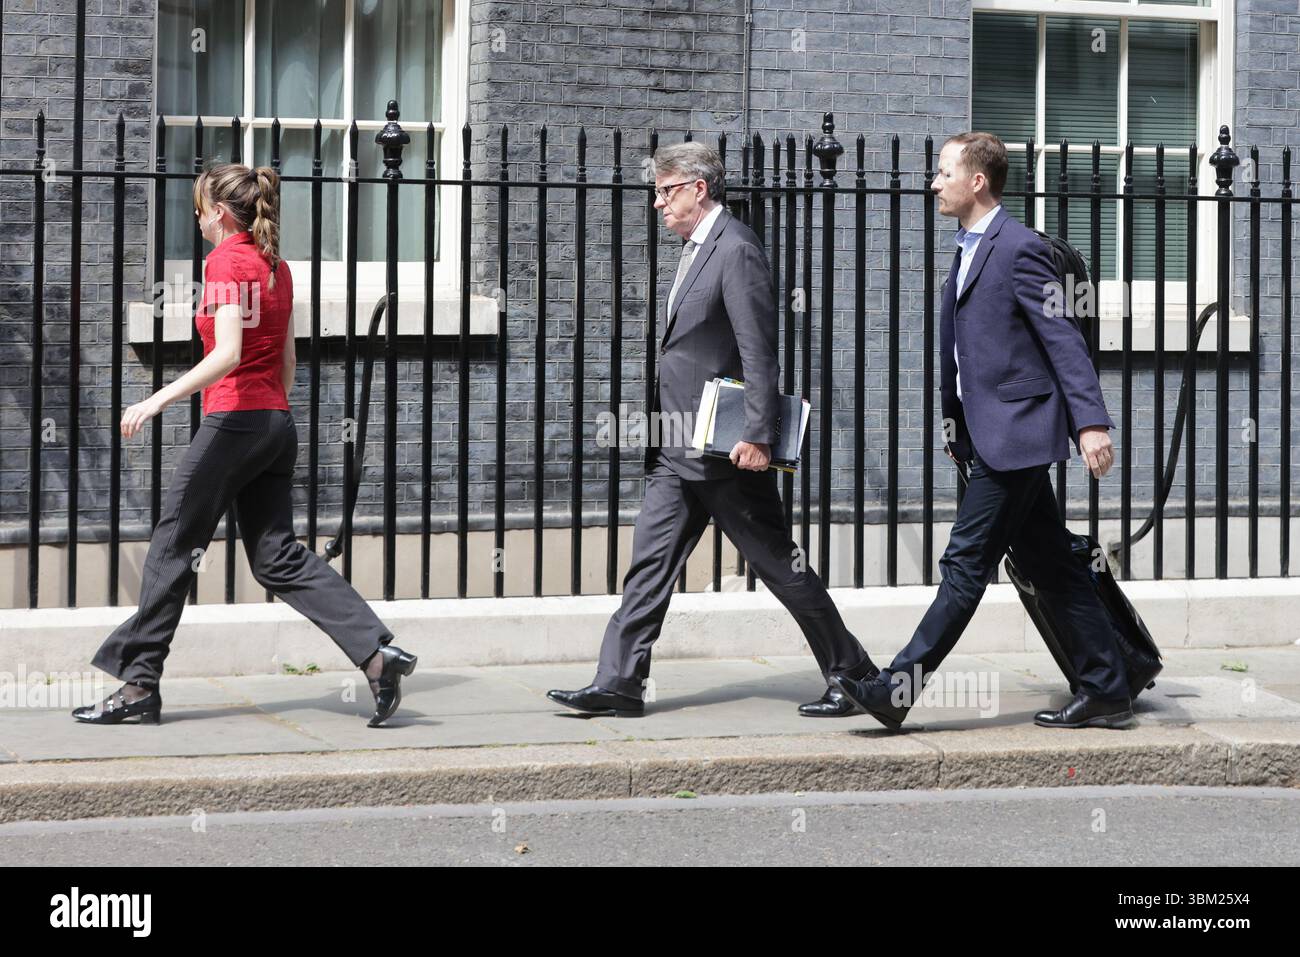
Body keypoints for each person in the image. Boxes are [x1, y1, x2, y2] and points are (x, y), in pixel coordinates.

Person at [73, 163, 416, 728]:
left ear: (220, 213)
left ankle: (138, 686)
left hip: (237, 421)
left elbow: (228, 352)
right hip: (275, 422)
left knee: (172, 544)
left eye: (200, 209)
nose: (197, 220)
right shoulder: (276, 266)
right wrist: (268, 414)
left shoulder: (226, 261)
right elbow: (287, 361)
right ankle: (378, 656)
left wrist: (156, 400)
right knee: (275, 557)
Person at [547, 142, 878, 719]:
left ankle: (855, 673)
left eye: (665, 191)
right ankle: (619, 681)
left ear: (698, 189)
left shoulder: (736, 249)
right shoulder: (696, 249)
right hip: (676, 445)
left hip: (726, 452)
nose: (658, 203)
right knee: (649, 565)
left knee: (779, 564)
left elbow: (757, 349)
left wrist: (758, 434)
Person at [832, 132, 1133, 731]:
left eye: (943, 173)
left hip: (1017, 436)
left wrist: (1091, 423)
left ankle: (896, 690)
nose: (933, 183)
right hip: (989, 433)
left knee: (965, 564)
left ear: (977, 181)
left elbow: (1063, 342)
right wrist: (956, 424)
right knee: (1054, 566)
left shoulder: (1019, 248)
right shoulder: (968, 248)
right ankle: (1107, 688)